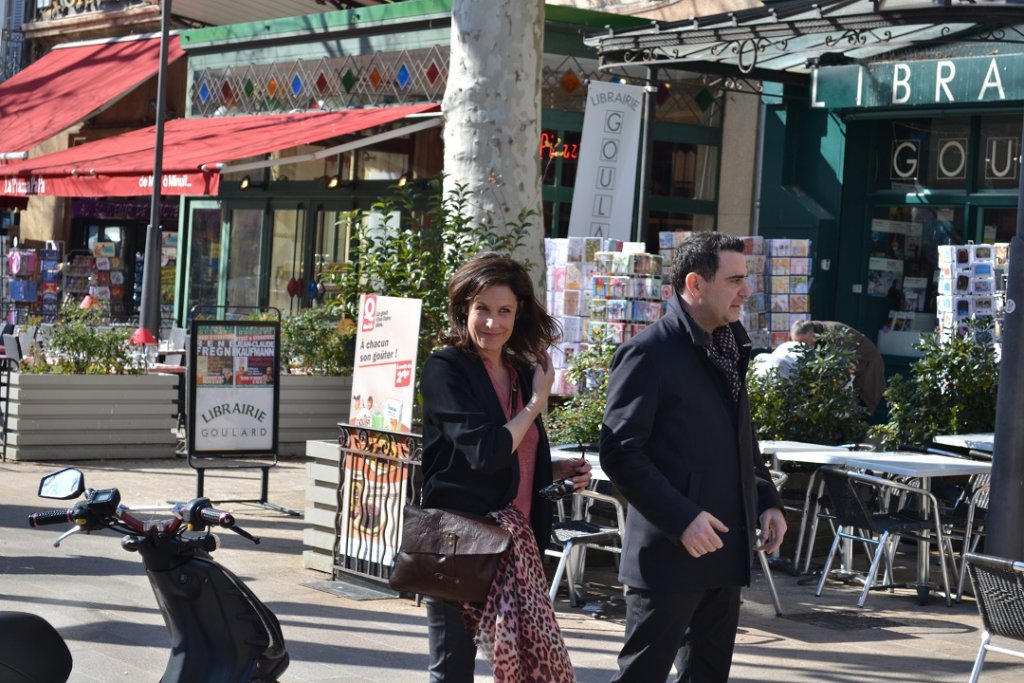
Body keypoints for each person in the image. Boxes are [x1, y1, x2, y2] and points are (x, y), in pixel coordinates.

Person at [600, 232, 787, 683]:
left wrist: (766, 499)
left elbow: (739, 438)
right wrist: (682, 518)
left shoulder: (731, 346)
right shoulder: (648, 352)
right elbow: (620, 452)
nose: (746, 291)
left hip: (725, 555)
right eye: (735, 279)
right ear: (695, 284)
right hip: (668, 560)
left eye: (746, 279)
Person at [419, 252, 591, 682]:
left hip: (517, 543)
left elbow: (513, 455)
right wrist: (537, 403)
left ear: (519, 314)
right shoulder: (446, 368)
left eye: (504, 311)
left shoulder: (517, 371)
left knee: (533, 668)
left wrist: (555, 470)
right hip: (459, 542)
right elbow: (486, 452)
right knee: (453, 669)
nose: (492, 323)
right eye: (482, 310)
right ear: (464, 310)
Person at [790, 319, 885, 412]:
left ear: (813, 335)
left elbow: (840, 372)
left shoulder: (833, 337)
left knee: (861, 408)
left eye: (804, 343)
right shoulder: (812, 331)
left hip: (867, 367)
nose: (801, 347)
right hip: (853, 370)